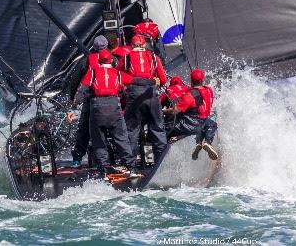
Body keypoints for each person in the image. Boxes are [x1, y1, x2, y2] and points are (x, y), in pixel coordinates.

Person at [80, 49, 135, 174]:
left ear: (99, 60)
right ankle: (131, 167)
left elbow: (83, 89)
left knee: (98, 140)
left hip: (97, 108)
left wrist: (74, 104)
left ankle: (103, 168)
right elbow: (135, 81)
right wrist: (151, 82)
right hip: (114, 107)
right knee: (121, 138)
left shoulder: (92, 72)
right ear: (111, 60)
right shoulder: (117, 73)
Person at [123, 34, 168, 164]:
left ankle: (130, 164)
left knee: (132, 130)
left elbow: (119, 76)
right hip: (151, 95)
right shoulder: (154, 57)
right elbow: (163, 80)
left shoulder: (126, 57)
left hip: (134, 97)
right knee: (158, 128)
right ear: (144, 45)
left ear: (131, 45)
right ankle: (162, 160)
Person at [71, 35, 110, 166]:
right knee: (116, 128)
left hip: (91, 99)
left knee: (84, 128)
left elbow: (75, 80)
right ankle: (121, 158)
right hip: (112, 100)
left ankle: (77, 158)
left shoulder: (86, 61)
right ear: (106, 46)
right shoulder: (113, 59)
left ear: (93, 47)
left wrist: (73, 99)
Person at [164, 69, 219, 161]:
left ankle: (160, 148)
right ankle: (205, 142)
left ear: (191, 80)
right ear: (202, 80)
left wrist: (163, 111)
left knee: (165, 128)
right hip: (203, 121)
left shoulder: (189, 96)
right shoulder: (209, 90)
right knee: (212, 124)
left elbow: (175, 110)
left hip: (189, 125)